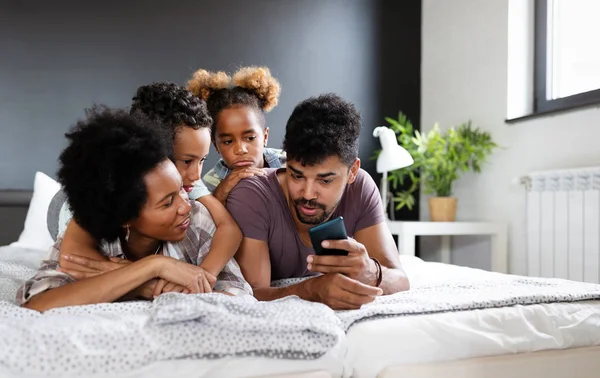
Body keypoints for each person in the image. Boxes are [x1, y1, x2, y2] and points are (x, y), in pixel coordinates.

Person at [18, 107, 252, 312]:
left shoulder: (199, 219)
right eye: (168, 202)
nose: (185, 206)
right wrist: (152, 268)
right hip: (64, 209)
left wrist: (141, 283)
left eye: (181, 190)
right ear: (126, 216)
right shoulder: (87, 234)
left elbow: (241, 297)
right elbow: (38, 303)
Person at [226, 93, 410, 310]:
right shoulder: (252, 195)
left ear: (352, 171)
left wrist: (370, 271)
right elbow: (252, 295)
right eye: (297, 175)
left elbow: (401, 280)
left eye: (325, 180)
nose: (308, 194)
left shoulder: (361, 187)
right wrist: (310, 290)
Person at [53, 83, 243, 286]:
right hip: (62, 203)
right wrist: (145, 278)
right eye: (187, 161)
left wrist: (203, 275)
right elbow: (74, 259)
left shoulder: (187, 182)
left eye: (203, 159)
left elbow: (229, 229)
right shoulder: (103, 198)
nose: (196, 174)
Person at [186, 66, 285, 204]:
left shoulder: (289, 163)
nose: (240, 150)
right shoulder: (209, 185)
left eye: (250, 138)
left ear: (265, 136)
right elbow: (206, 221)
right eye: (227, 141)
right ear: (215, 144)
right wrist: (221, 193)